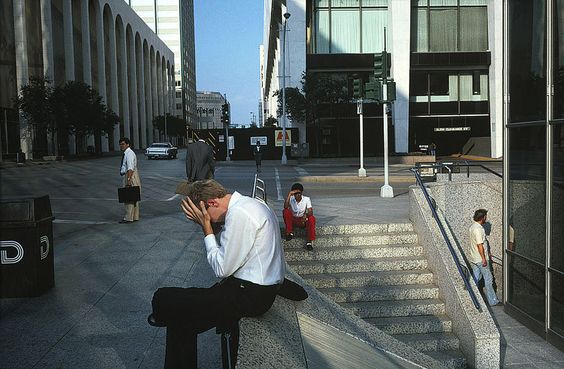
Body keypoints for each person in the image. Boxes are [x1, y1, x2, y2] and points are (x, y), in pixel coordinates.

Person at [149, 179, 285, 368]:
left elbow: (222, 269)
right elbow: (233, 251)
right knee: (181, 316)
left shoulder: (239, 214)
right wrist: (212, 226)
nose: (209, 219)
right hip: (252, 290)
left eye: (206, 214)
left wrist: (206, 229)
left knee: (164, 298)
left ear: (212, 203)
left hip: (249, 296)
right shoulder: (250, 204)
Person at [467, 209, 499, 306]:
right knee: (488, 279)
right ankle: (493, 301)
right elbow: (479, 245)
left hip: (474, 258)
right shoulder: (478, 229)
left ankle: (469, 296)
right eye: (485, 216)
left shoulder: (472, 227)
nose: (486, 217)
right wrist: (484, 258)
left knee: (476, 277)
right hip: (480, 259)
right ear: (482, 217)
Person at [283, 183, 316, 251]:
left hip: (302, 221)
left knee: (312, 218)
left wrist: (306, 215)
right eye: (295, 193)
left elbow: (310, 211)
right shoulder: (291, 198)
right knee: (286, 211)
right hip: (293, 220)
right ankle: (289, 232)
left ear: (301, 193)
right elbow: (285, 207)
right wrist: (289, 195)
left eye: (299, 193)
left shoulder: (306, 199)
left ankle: (309, 242)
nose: (297, 195)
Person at [119, 137, 140, 223]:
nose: (121, 146)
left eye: (123, 144)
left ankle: (128, 218)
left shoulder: (129, 154)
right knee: (133, 197)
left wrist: (128, 180)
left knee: (128, 197)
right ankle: (134, 217)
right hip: (131, 175)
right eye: (120, 144)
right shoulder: (128, 153)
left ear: (128, 144)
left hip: (130, 175)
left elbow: (130, 168)